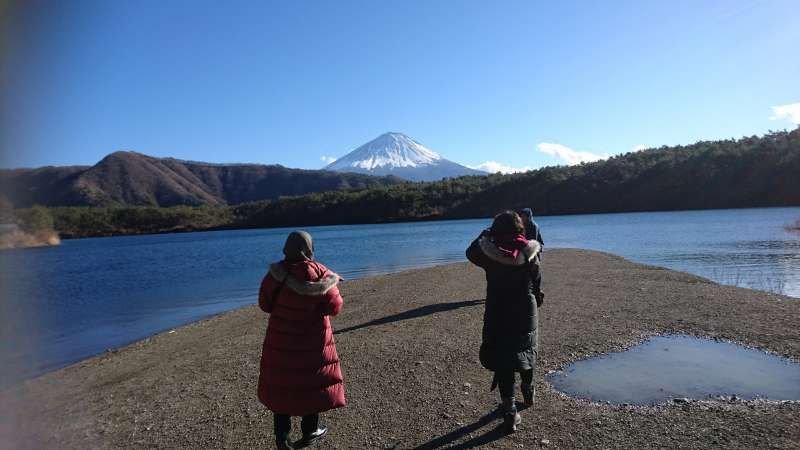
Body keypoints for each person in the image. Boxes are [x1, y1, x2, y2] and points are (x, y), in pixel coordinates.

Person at [257, 231, 346, 450]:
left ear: (286, 248)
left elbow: (265, 304)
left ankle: (282, 436)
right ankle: (310, 431)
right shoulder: (320, 273)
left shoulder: (275, 274)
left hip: (281, 341)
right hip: (312, 341)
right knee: (311, 382)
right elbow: (335, 307)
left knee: (282, 384)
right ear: (309, 249)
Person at [466, 211, 543, 433]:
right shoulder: (529, 250)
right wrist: (537, 297)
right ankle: (528, 392)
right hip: (524, 310)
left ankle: (510, 411)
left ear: (496, 230)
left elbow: (470, 252)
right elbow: (537, 277)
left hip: (498, 310)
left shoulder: (490, 253)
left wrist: (485, 234)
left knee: (503, 357)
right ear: (520, 228)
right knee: (526, 349)